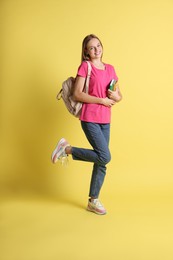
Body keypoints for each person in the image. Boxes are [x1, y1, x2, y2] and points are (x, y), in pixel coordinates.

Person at [51, 34, 122, 215]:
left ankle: (93, 200)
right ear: (86, 52)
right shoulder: (85, 66)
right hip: (89, 117)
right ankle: (66, 149)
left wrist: (115, 97)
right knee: (105, 156)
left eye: (98, 45)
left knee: (101, 161)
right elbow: (77, 94)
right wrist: (101, 100)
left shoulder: (111, 69)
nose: (97, 49)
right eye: (92, 47)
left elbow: (119, 95)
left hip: (106, 119)